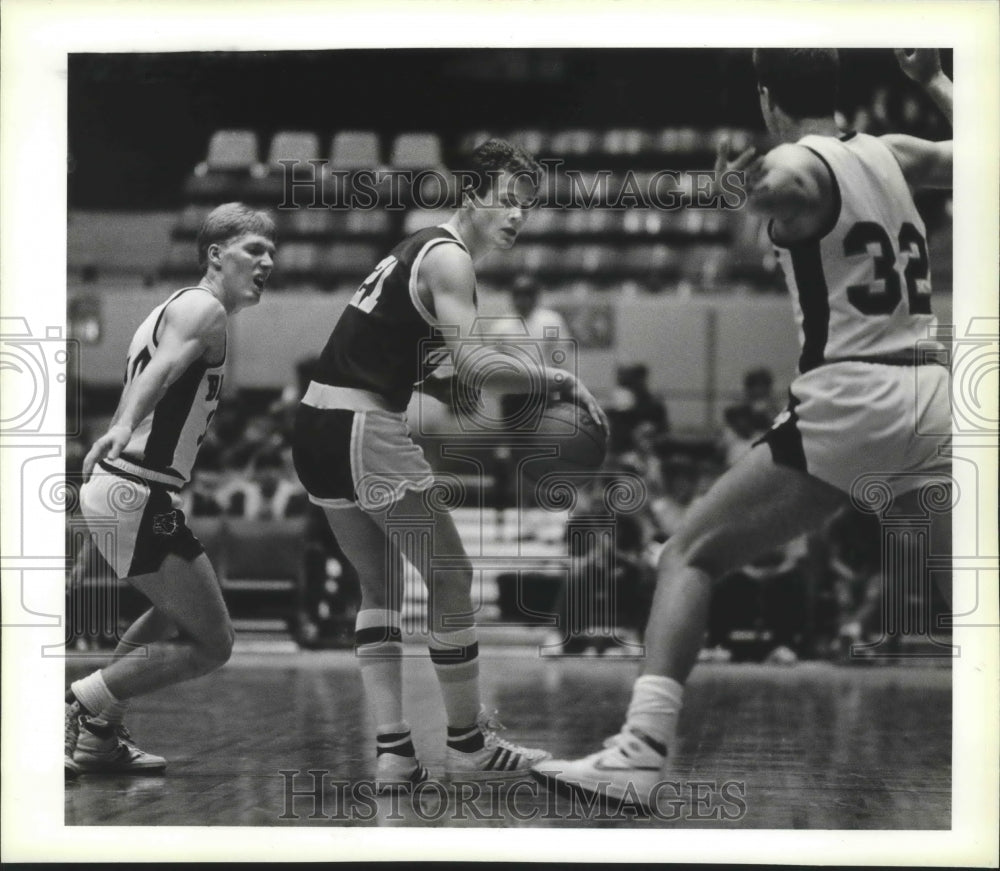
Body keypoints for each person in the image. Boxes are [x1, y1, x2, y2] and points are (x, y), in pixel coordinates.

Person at [531, 48, 953, 809]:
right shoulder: (893, 153)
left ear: (767, 100)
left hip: (856, 393)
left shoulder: (797, 159)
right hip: (932, 391)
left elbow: (790, 179)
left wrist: (745, 185)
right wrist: (935, 84)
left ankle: (639, 751)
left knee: (688, 551)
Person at [291, 138, 607, 791]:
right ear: (474, 194)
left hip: (316, 426)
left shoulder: (418, 245)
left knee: (380, 590)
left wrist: (444, 384)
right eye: (508, 200)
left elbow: (427, 367)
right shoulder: (451, 260)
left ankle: (394, 752)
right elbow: (474, 363)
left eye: (527, 207)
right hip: (359, 425)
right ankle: (466, 741)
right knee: (453, 577)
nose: (517, 216)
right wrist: (560, 384)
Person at [67, 203, 277, 779]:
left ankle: (98, 736)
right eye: (253, 250)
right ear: (215, 255)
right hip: (135, 492)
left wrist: (112, 450)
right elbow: (159, 374)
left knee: (168, 612)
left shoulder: (170, 308)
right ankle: (84, 703)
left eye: (271, 253)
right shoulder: (205, 308)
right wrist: (116, 431)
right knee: (214, 643)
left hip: (131, 491)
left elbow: (152, 381)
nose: (267, 262)